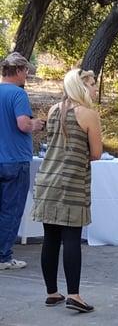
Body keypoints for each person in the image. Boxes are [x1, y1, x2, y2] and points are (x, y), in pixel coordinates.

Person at [32, 68, 102, 313]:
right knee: (71, 238)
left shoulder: (53, 110)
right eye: (92, 84)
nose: (95, 89)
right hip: (71, 182)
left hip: (47, 180)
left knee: (50, 237)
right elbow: (95, 153)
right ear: (81, 87)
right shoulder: (88, 114)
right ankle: (74, 294)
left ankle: (52, 292)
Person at [0, 52, 45, 270]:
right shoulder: (18, 94)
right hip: (15, 160)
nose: (27, 75)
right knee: (11, 209)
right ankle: (3, 257)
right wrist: (37, 124)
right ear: (18, 71)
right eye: (26, 71)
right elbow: (23, 124)